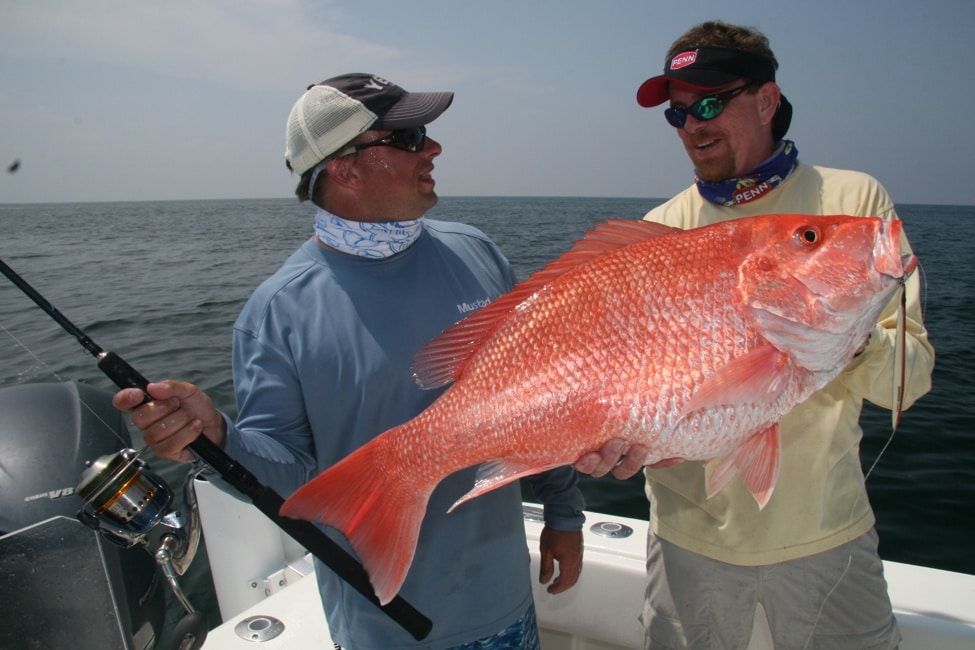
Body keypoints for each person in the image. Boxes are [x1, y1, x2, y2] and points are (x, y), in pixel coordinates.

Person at [113, 72, 586, 650]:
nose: (433, 148)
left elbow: (545, 401)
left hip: (507, 606)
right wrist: (217, 438)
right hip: (383, 629)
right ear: (344, 168)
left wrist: (564, 514)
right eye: (409, 137)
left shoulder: (479, 253)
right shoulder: (277, 312)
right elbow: (294, 477)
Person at [579, 21, 935, 649]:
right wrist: (614, 441)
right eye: (678, 113)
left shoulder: (851, 206)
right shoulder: (661, 229)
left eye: (711, 103)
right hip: (690, 545)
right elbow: (636, 400)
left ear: (766, 100)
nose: (694, 125)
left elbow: (913, 376)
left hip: (829, 538)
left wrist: (843, 337)